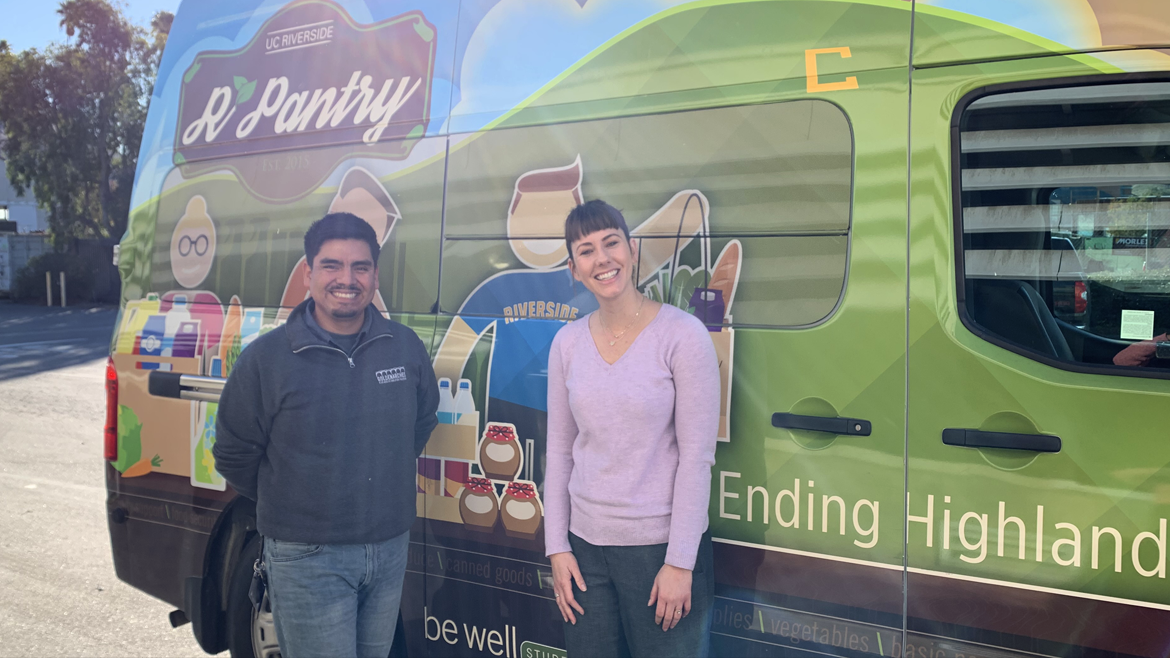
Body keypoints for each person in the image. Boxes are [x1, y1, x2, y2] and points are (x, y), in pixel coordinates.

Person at [212, 212, 440, 658]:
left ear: (375, 276)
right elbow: (234, 455)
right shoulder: (267, 360)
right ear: (308, 273)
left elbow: (420, 423)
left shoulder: (404, 347)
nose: (346, 279)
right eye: (331, 265)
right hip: (307, 556)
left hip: (389, 547)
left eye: (360, 267)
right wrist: (301, 501)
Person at [544, 199, 720, 657]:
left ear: (632, 249)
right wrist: (557, 547)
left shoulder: (683, 336)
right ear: (573, 269)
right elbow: (559, 451)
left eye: (611, 243)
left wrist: (680, 562)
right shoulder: (566, 343)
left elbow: (697, 457)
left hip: (658, 552)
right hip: (584, 553)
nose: (602, 259)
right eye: (586, 251)